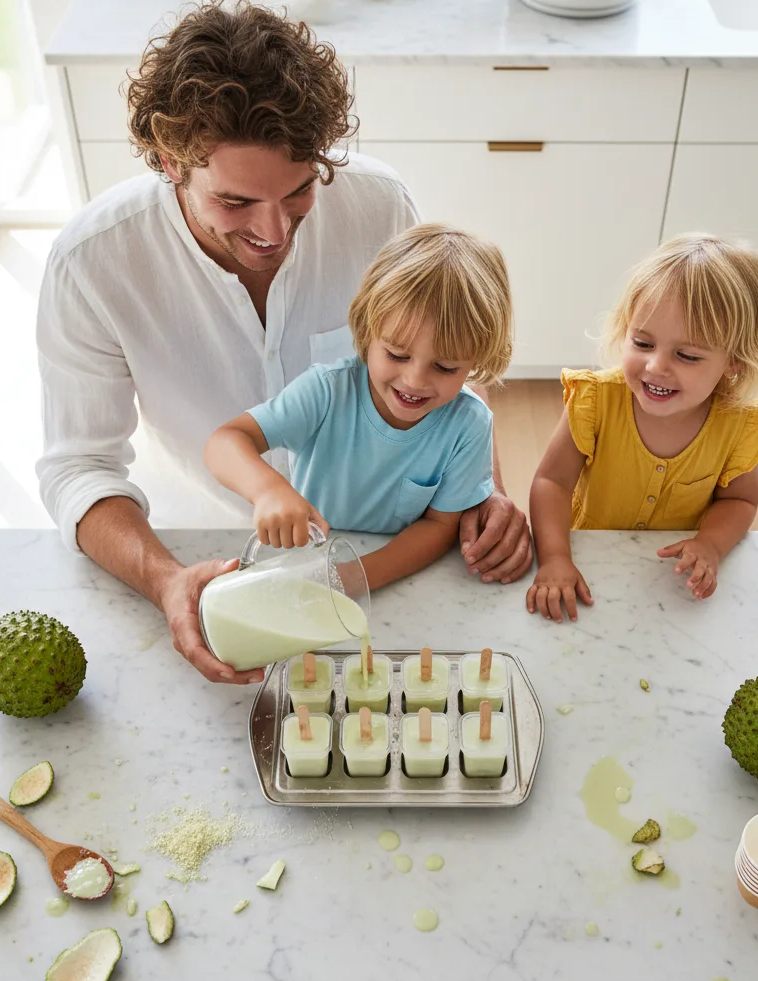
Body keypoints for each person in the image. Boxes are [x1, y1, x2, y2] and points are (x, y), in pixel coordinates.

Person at [34, 1, 531, 686]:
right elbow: (78, 470)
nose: (275, 231)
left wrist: (485, 495)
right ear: (165, 162)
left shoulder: (379, 205)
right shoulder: (92, 261)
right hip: (203, 558)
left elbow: (441, 366)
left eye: (299, 192)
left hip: (383, 554)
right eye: (236, 203)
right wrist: (167, 582)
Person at [204, 223, 513, 592]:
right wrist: (268, 490)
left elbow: (439, 527)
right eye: (397, 354)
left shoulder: (470, 424)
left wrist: (354, 577)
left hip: (394, 577)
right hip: (307, 561)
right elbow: (226, 441)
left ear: (477, 360)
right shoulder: (327, 391)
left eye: (445, 367)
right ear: (368, 331)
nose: (414, 381)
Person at [526, 233, 758, 622]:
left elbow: (739, 501)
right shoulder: (596, 400)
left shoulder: (739, 423)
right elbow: (552, 482)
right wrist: (556, 557)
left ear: (734, 362)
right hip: (587, 562)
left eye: (687, 355)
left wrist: (709, 545)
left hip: (669, 585)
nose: (656, 366)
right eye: (643, 343)